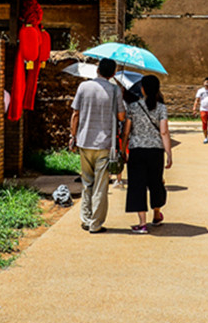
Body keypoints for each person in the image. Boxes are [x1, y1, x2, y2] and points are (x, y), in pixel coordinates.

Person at [69, 58, 126, 234]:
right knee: (101, 185)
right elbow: (122, 117)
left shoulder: (83, 87)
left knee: (87, 182)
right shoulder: (115, 90)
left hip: (84, 141)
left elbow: (75, 114)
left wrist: (73, 136)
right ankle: (95, 223)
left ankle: (85, 220)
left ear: (97, 70)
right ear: (113, 73)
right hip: (105, 144)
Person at [124, 75, 171, 233]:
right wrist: (169, 154)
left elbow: (126, 131)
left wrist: (124, 148)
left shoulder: (133, 107)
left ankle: (142, 224)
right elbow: (164, 132)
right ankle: (156, 214)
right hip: (156, 151)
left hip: (137, 150)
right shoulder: (161, 108)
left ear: (142, 89)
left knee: (138, 185)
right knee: (156, 182)